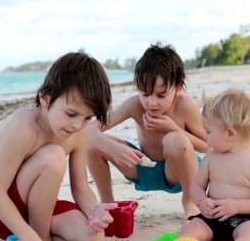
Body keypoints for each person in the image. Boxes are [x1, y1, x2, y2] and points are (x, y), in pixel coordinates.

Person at [0, 50, 117, 241]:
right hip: (0, 211)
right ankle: (37, 240)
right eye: (71, 113)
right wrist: (33, 238)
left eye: (86, 118)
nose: (77, 125)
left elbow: (80, 187)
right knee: (53, 156)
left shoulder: (78, 133)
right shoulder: (23, 128)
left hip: (40, 209)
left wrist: (94, 211)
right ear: (45, 99)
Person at [138, 89, 250, 241]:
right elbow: (197, 186)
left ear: (230, 134)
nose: (204, 137)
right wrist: (202, 201)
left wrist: (238, 206)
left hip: (244, 217)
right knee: (191, 228)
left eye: (208, 132)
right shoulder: (211, 157)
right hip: (211, 216)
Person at [87, 42, 209, 219]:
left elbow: (208, 146)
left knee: (174, 139)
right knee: (93, 146)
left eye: (161, 95)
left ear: (178, 88)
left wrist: (173, 128)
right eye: (145, 94)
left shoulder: (185, 106)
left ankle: (190, 202)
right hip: (145, 168)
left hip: (178, 172)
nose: (152, 103)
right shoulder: (134, 104)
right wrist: (114, 149)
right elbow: (89, 130)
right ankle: (108, 205)